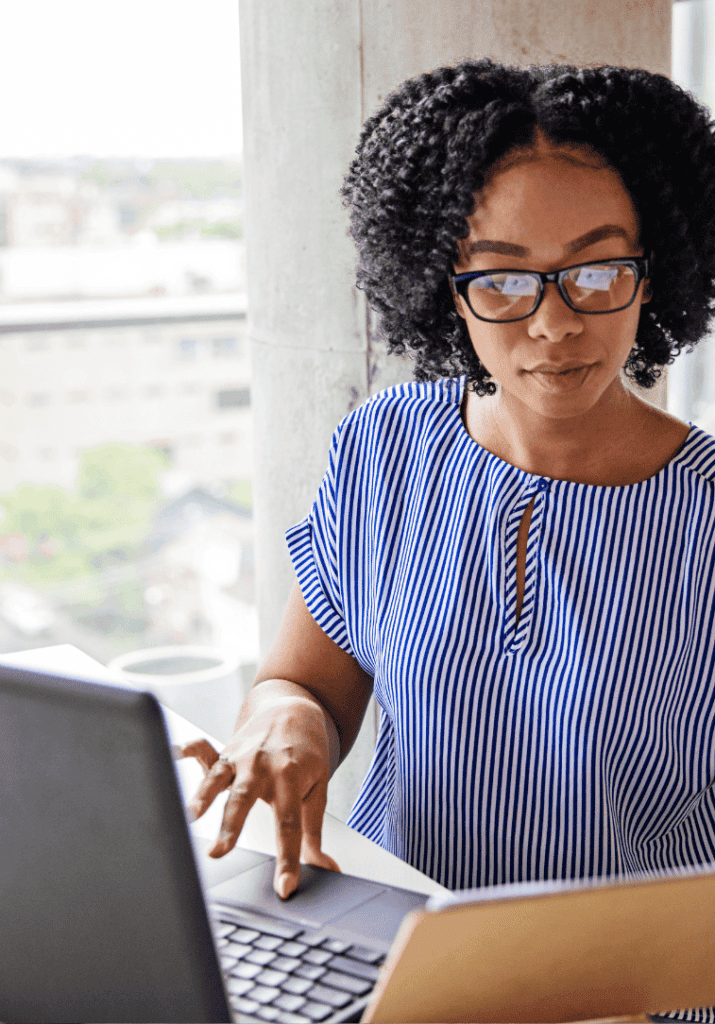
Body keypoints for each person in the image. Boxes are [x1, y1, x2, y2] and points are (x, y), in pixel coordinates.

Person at [183, 59, 715, 969]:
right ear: (442, 284)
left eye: (595, 271)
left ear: (655, 266)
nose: (553, 324)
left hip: (631, 986)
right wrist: (286, 718)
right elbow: (304, 683)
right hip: (396, 957)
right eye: (502, 281)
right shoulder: (383, 450)